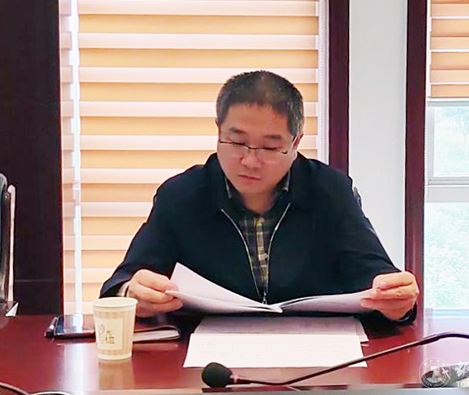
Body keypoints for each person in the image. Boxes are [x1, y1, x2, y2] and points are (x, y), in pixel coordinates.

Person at [100, 70, 419, 322]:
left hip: (316, 357)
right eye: (237, 143)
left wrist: (396, 300)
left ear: (295, 143)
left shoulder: (331, 191)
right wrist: (132, 293)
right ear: (218, 132)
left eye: (270, 147)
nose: (251, 161)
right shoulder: (180, 195)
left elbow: (373, 272)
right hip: (206, 365)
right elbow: (123, 281)